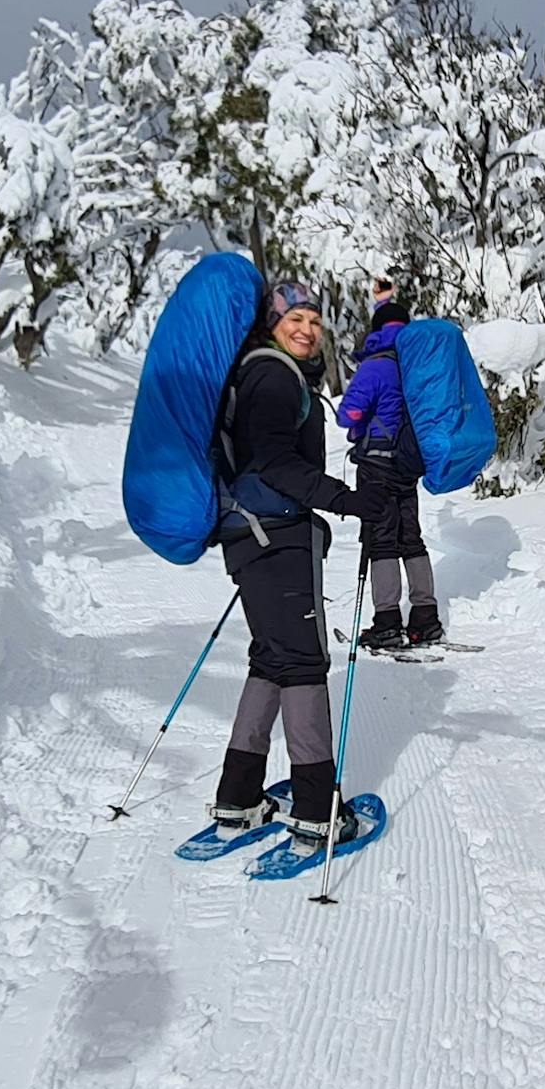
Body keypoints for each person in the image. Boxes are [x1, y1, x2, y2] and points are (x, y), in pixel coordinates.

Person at [209, 282, 379, 850]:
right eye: (294, 318)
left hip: (251, 533)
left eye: (313, 319)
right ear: (272, 323)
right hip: (275, 534)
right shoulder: (275, 376)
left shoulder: (261, 373)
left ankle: (238, 800)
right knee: (304, 663)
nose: (306, 328)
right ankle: (316, 812)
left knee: (272, 659)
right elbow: (277, 462)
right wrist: (345, 499)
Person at [339, 294, 445, 651]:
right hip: (407, 465)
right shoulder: (416, 363)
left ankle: (387, 623)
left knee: (381, 540)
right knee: (411, 537)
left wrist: (362, 422)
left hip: (376, 465)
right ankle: (425, 619)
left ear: (377, 330)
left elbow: (347, 416)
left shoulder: (376, 365)